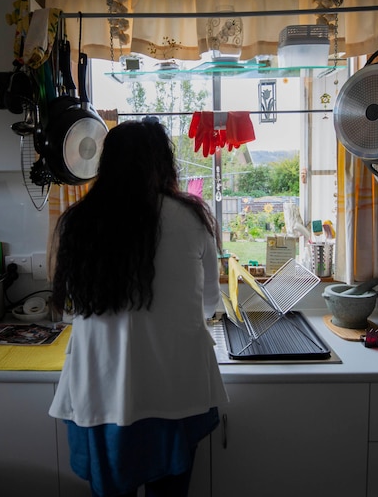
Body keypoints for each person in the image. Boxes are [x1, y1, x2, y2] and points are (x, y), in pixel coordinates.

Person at [48, 118, 228, 497]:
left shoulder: (78, 222)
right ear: (164, 163)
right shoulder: (192, 218)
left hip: (101, 391)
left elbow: (70, 311)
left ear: (106, 163)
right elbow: (210, 302)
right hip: (174, 391)